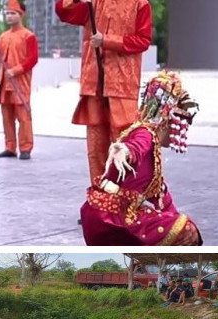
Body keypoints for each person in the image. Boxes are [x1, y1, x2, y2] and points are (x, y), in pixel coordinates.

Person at [80, 70, 202, 245]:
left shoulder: (153, 153)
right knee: (187, 230)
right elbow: (136, 147)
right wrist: (124, 150)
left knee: (183, 226)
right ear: (168, 119)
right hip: (110, 220)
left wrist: (174, 221)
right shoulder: (145, 133)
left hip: (109, 217)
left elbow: (163, 201)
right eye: (180, 124)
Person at [55, 0, 152, 186]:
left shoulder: (140, 4)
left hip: (122, 84)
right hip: (94, 83)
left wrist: (106, 40)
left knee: (123, 145)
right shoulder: (93, 2)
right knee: (96, 147)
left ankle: (123, 201)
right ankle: (99, 201)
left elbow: (143, 40)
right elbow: (64, 12)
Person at [0, 0, 38, 160]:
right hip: (4, 83)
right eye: (7, 13)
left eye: (12, 13)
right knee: (6, 116)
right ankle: (9, 147)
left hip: (19, 83)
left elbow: (33, 59)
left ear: (20, 15)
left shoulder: (28, 36)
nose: (9, 16)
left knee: (23, 117)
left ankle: (25, 148)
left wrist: (15, 71)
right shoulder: (3, 36)